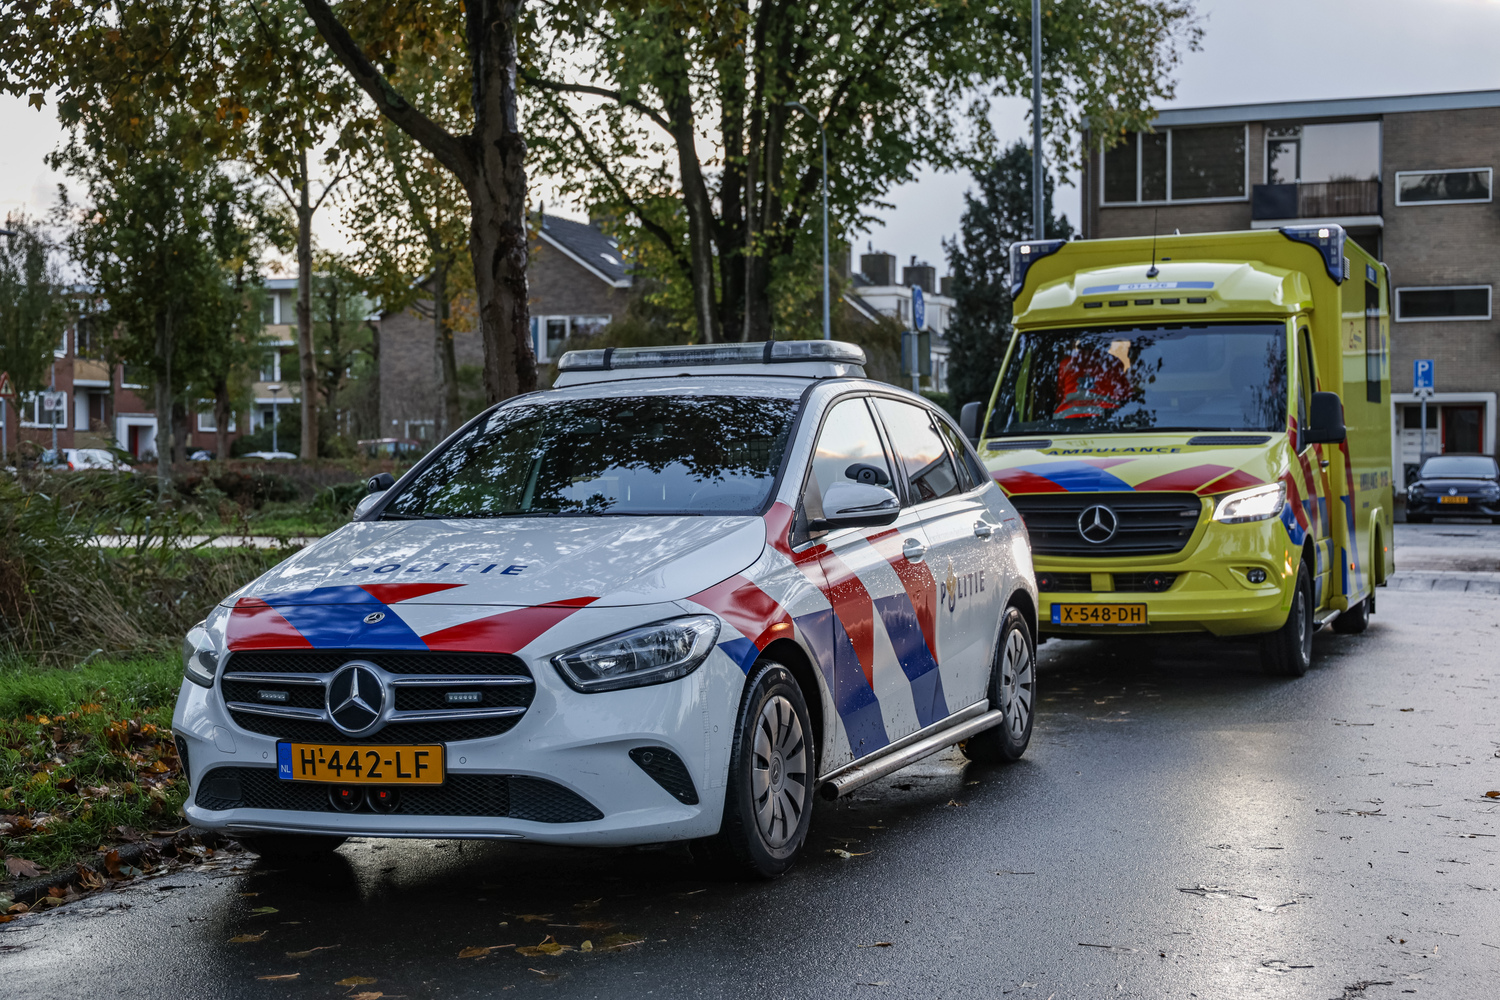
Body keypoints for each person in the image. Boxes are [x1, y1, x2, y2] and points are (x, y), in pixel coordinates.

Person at [1054, 338, 1134, 420]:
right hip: (1107, 418)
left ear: (1080, 346)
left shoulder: (1066, 363)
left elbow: (1059, 396)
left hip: (1065, 419)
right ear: (1104, 345)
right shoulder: (1113, 362)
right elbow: (1126, 394)